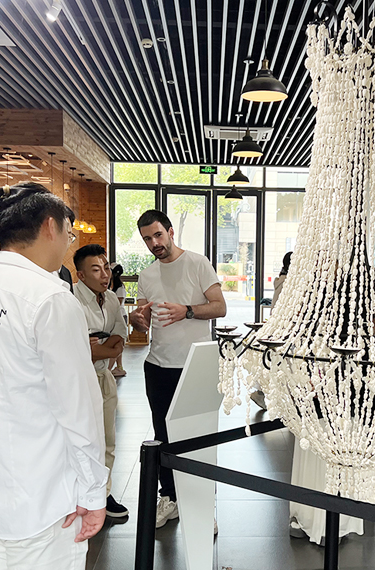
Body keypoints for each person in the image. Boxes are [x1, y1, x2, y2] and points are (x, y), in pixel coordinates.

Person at [0, 182, 109, 568]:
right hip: (47, 497)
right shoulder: (50, 298)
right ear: (50, 226)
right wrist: (93, 491)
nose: (68, 243)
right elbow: (77, 408)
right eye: (69, 233)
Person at [129, 209, 226, 528]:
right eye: (147, 239)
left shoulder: (197, 263)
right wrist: (137, 319)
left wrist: (187, 311)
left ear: (170, 232)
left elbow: (219, 307)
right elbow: (142, 317)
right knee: (163, 437)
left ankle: (202, 506)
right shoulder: (147, 275)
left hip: (195, 364)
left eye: (158, 235)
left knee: (199, 438)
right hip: (158, 366)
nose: (154, 243)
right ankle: (169, 497)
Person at [73, 244, 129, 519]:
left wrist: (99, 347)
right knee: (82, 441)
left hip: (104, 376)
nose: (105, 275)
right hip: (79, 380)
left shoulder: (110, 300)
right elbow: (76, 347)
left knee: (107, 439)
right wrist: (98, 347)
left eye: (106, 267)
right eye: (96, 270)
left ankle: (103, 495)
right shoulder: (71, 299)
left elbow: (120, 339)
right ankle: (80, 497)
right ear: (81, 275)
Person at [109, 263, 128, 377]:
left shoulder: (120, 288)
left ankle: (113, 368)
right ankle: (118, 367)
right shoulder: (108, 285)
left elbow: (118, 303)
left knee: (117, 343)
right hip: (111, 317)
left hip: (120, 317)